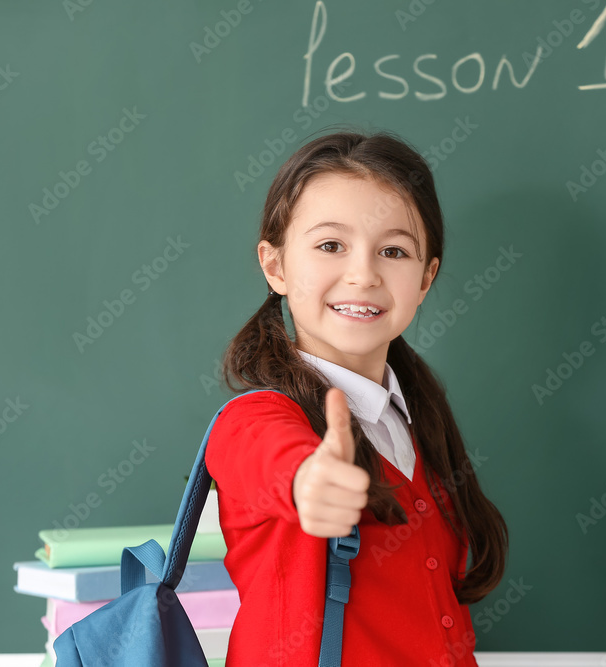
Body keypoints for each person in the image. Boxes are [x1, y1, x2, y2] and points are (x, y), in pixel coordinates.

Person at [205, 127, 509, 666]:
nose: (363, 273)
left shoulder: (418, 423)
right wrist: (310, 482)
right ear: (275, 266)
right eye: (330, 245)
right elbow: (276, 463)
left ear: (425, 278)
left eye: (393, 250)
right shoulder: (256, 419)